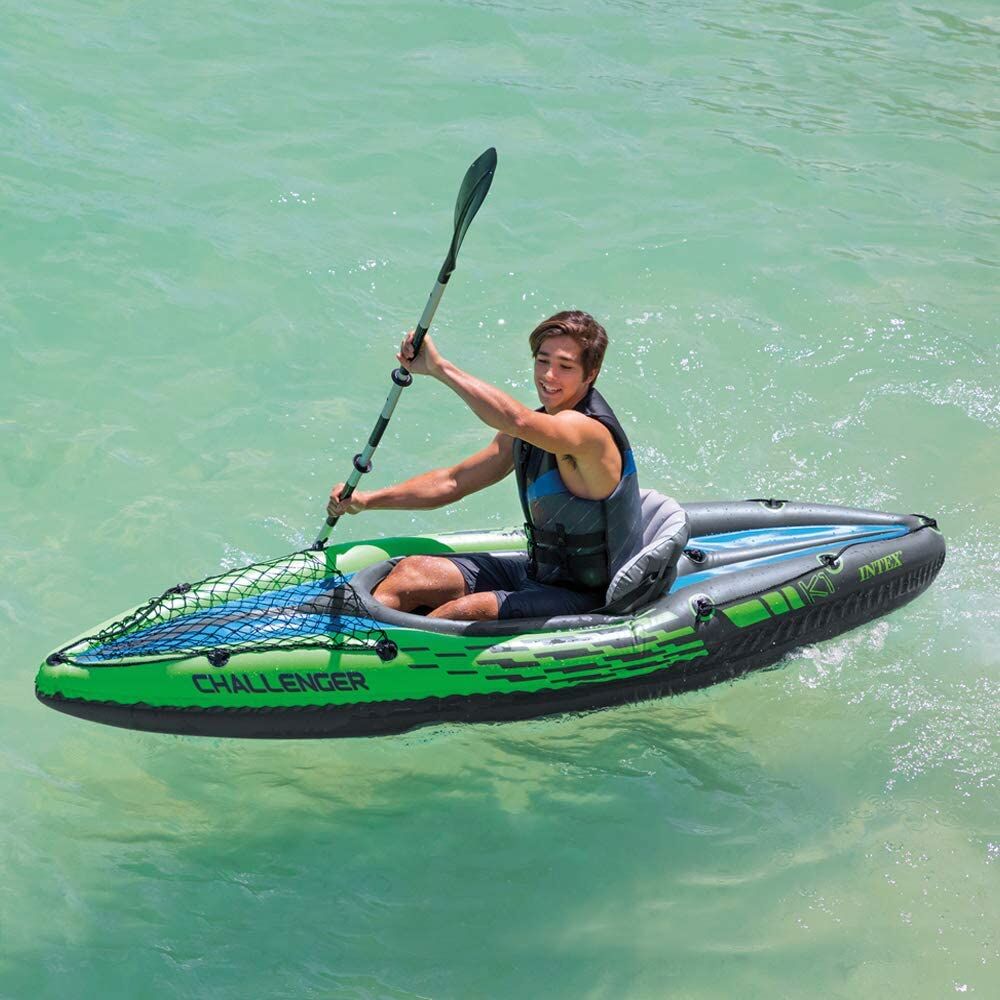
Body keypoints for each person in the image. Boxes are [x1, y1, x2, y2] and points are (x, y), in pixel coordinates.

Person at [328, 310, 643, 621]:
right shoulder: (533, 431)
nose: (548, 375)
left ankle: (393, 647)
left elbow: (517, 420)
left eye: (565, 367)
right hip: (538, 573)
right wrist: (366, 501)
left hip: (588, 598)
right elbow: (453, 482)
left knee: (461, 612)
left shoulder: (588, 433)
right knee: (412, 574)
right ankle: (352, 635)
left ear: (591, 373)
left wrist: (440, 368)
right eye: (542, 361)